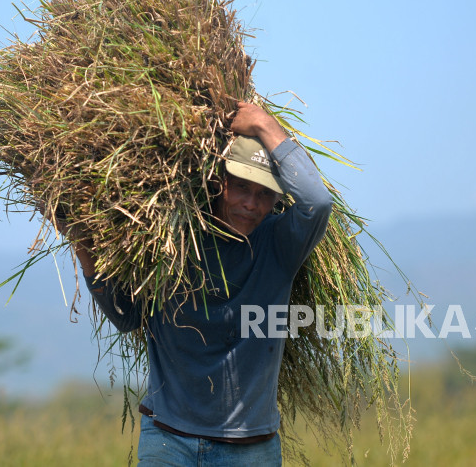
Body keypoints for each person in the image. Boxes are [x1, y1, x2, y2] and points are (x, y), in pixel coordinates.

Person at [61, 101, 332, 465]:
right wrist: (82, 244)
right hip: (169, 441)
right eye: (241, 187)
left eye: (265, 193)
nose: (252, 204)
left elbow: (317, 201)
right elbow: (128, 317)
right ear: (219, 183)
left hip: (250, 448)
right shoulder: (172, 237)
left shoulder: (280, 245)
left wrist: (262, 123)